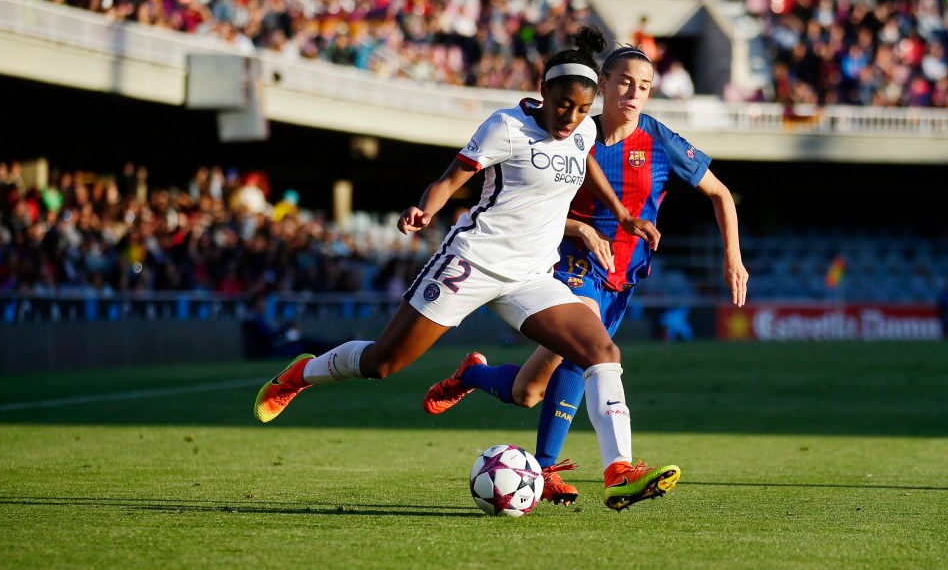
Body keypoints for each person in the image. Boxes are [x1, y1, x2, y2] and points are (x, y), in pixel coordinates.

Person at [253, 26, 682, 511]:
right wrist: (426, 209)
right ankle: (300, 374)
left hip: (532, 277)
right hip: (472, 263)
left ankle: (619, 470)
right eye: (563, 105)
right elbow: (453, 175)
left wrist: (622, 214)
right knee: (383, 364)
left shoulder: (583, 128)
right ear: (543, 91)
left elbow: (584, 158)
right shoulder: (505, 127)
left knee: (601, 350)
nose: (572, 118)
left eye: (583, 109)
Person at [423, 43, 749, 505]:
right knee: (586, 349)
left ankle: (473, 376)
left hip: (623, 276)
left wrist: (732, 257)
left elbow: (720, 194)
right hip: (566, 261)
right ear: (603, 86)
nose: (633, 94)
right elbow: (532, 204)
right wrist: (578, 227)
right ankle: (591, 469)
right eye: (624, 83)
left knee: (529, 390)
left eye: (644, 87)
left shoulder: (658, 141)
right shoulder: (574, 131)